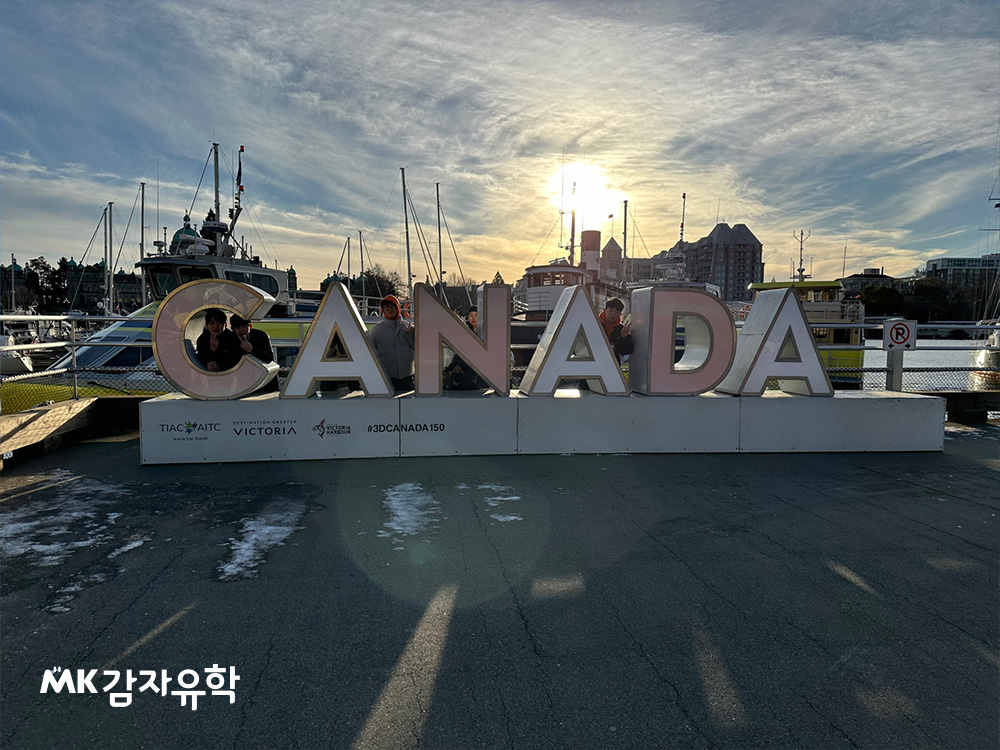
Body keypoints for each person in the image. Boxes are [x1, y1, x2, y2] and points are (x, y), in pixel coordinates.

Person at [367, 294, 415, 393]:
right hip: (386, 378)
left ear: (398, 307)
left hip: (407, 377)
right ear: (383, 310)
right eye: (386, 307)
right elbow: (369, 352)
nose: (389, 309)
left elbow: (418, 348)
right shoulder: (376, 330)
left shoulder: (409, 327)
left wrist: (410, 335)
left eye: (392, 306)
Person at [230, 314, 280, 392]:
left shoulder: (261, 336)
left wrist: (252, 350)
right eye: (237, 327)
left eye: (244, 327)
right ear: (232, 329)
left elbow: (269, 358)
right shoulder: (231, 340)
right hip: (245, 382)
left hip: (265, 380)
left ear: (250, 326)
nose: (241, 330)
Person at [444, 306, 484, 390]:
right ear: (467, 317)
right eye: (471, 315)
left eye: (476, 315)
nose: (473, 318)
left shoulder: (485, 330)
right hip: (463, 358)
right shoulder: (465, 327)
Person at [196, 308, 242, 372]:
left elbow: (236, 359)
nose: (215, 326)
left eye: (219, 323)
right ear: (207, 325)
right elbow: (201, 358)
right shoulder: (202, 339)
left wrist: (219, 367)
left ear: (225, 325)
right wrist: (211, 350)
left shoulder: (232, 338)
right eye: (212, 323)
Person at [600, 298, 634, 364]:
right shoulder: (594, 323)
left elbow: (627, 351)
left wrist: (624, 337)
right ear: (604, 310)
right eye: (611, 310)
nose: (613, 314)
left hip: (612, 366)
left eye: (616, 312)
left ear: (620, 314)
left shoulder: (621, 329)